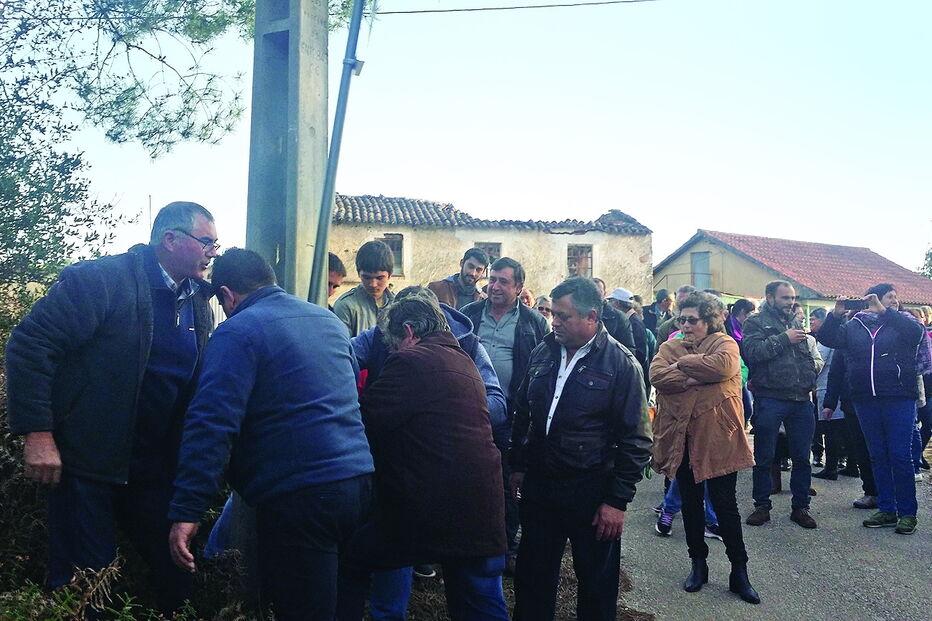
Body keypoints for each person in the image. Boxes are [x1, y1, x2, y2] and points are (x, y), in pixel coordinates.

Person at [5, 201, 218, 615]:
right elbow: (30, 345)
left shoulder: (197, 299)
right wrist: (38, 432)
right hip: (88, 463)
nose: (213, 251)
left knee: (175, 577)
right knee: (86, 586)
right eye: (206, 241)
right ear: (171, 240)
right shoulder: (101, 281)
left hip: (153, 467)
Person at [167, 249, 374, 621]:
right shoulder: (327, 321)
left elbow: (211, 424)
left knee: (303, 608)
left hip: (302, 494)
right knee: (342, 602)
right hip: (357, 483)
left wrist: (187, 509)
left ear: (227, 295)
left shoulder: (238, 331)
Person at [336, 296, 509, 621]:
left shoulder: (411, 360)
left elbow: (364, 422)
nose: (393, 351)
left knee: (352, 558)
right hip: (481, 509)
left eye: (394, 344)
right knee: (478, 602)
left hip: (428, 511)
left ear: (409, 331)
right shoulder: (465, 361)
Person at [509, 277, 652, 621]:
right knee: (532, 577)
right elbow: (523, 412)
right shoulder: (544, 352)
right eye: (553, 315)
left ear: (591, 317)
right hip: (541, 485)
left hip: (591, 489)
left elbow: (637, 439)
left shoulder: (621, 364)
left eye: (562, 316)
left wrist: (617, 501)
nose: (554, 321)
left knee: (597, 584)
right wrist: (518, 465)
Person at [650, 291, 759, 604]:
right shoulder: (668, 345)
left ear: (708, 320)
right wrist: (692, 376)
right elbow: (657, 375)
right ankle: (698, 564)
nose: (685, 325)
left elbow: (723, 367)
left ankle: (740, 571)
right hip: (681, 438)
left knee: (726, 507)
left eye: (692, 320)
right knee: (691, 505)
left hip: (719, 438)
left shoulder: (725, 343)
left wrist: (683, 364)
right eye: (682, 319)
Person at [817, 284, 928, 535]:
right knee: (877, 454)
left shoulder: (903, 323)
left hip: (899, 397)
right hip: (864, 398)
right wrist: (835, 316)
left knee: (900, 455)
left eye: (895, 297)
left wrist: (886, 312)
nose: (895, 300)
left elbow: (917, 333)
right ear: (870, 299)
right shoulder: (854, 326)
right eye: (889, 297)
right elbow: (828, 339)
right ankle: (886, 507)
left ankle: (907, 512)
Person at [460, 257, 549, 569]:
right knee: (469, 475)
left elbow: (542, 367)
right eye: (492, 279)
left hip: (512, 415)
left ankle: (507, 545)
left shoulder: (534, 323)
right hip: (469, 412)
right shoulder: (469, 316)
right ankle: (466, 539)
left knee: (508, 479)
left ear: (519, 287)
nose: (494, 286)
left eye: (503, 281)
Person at [741, 281, 823, 529]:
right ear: (770, 297)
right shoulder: (755, 322)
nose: (790, 302)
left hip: (800, 399)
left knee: (802, 457)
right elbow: (753, 353)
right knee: (765, 456)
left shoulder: (795, 321)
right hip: (771, 398)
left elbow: (806, 355)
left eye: (792, 298)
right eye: (785, 298)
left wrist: (810, 376)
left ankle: (801, 507)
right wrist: (783, 339)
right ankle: (762, 506)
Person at [823, 347, 878, 508]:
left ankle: (891, 494)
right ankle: (871, 492)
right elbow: (836, 373)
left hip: (884, 400)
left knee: (884, 451)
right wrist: (829, 403)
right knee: (861, 449)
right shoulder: (847, 333)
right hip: (853, 401)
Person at [810, 308, 847, 480]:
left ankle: (831, 467)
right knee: (839, 429)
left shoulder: (826, 340)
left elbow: (819, 362)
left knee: (831, 430)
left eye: (813, 320)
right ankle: (843, 463)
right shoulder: (841, 334)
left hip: (826, 387)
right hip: (835, 388)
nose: (811, 323)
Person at [333, 240, 396, 336]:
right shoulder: (345, 306)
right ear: (358, 274)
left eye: (379, 278)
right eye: (367, 277)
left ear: (390, 275)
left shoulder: (398, 305)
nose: (373, 284)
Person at [606, 287, 651, 390]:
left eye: (610, 301)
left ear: (617, 303)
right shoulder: (631, 320)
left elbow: (640, 354)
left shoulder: (634, 323)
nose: (609, 305)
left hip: (634, 380)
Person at [592, 277, 637, 351]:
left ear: (604, 294)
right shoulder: (575, 315)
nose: (594, 295)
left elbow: (628, 349)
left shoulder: (619, 318)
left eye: (598, 292)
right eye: (590, 291)